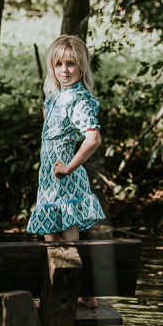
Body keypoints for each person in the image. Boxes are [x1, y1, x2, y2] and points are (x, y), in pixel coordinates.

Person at [26, 35, 106, 307]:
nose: (65, 70)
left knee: (68, 242)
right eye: (59, 64)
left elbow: (92, 138)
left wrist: (70, 166)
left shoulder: (79, 100)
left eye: (71, 64)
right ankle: (56, 294)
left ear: (82, 67)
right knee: (51, 239)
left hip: (66, 178)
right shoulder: (55, 97)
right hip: (49, 180)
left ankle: (81, 292)